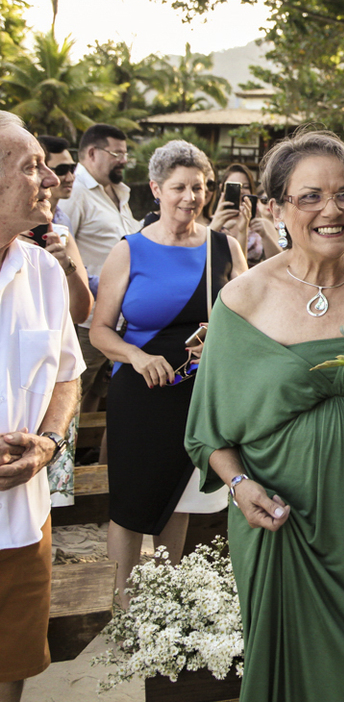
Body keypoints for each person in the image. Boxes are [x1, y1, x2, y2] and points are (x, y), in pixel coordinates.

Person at [185, 130, 344, 702]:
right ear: (275, 208)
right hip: (280, 526)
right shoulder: (241, 301)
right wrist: (239, 486)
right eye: (310, 196)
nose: (331, 210)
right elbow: (207, 435)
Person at [90, 141, 248, 605]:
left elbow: (250, 316)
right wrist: (136, 357)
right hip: (140, 393)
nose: (190, 197)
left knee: (178, 497)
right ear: (156, 190)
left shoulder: (225, 247)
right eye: (179, 187)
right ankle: (123, 609)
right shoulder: (130, 250)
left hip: (200, 391)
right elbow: (100, 331)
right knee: (131, 501)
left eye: (198, 187)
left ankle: (168, 602)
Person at [0, 112, 84, 702]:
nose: (51, 179)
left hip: (19, 516)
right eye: (33, 167)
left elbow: (67, 377)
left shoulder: (44, 273)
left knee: (14, 656)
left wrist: (49, 445)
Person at [57, 124, 139, 412]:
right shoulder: (75, 192)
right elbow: (61, 247)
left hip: (119, 321)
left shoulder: (119, 193)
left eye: (125, 153)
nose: (123, 160)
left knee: (98, 395)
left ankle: (88, 455)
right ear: (91, 153)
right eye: (116, 153)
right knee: (72, 396)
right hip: (86, 319)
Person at [29, 136, 91, 324]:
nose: (69, 178)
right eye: (62, 170)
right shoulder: (16, 228)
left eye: (72, 169)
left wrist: (67, 266)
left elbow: (80, 312)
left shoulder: (62, 223)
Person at [210, 164, 282, 265]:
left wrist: (265, 236)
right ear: (222, 189)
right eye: (234, 186)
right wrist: (215, 227)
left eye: (245, 186)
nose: (240, 191)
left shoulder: (262, 224)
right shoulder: (210, 222)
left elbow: (280, 263)